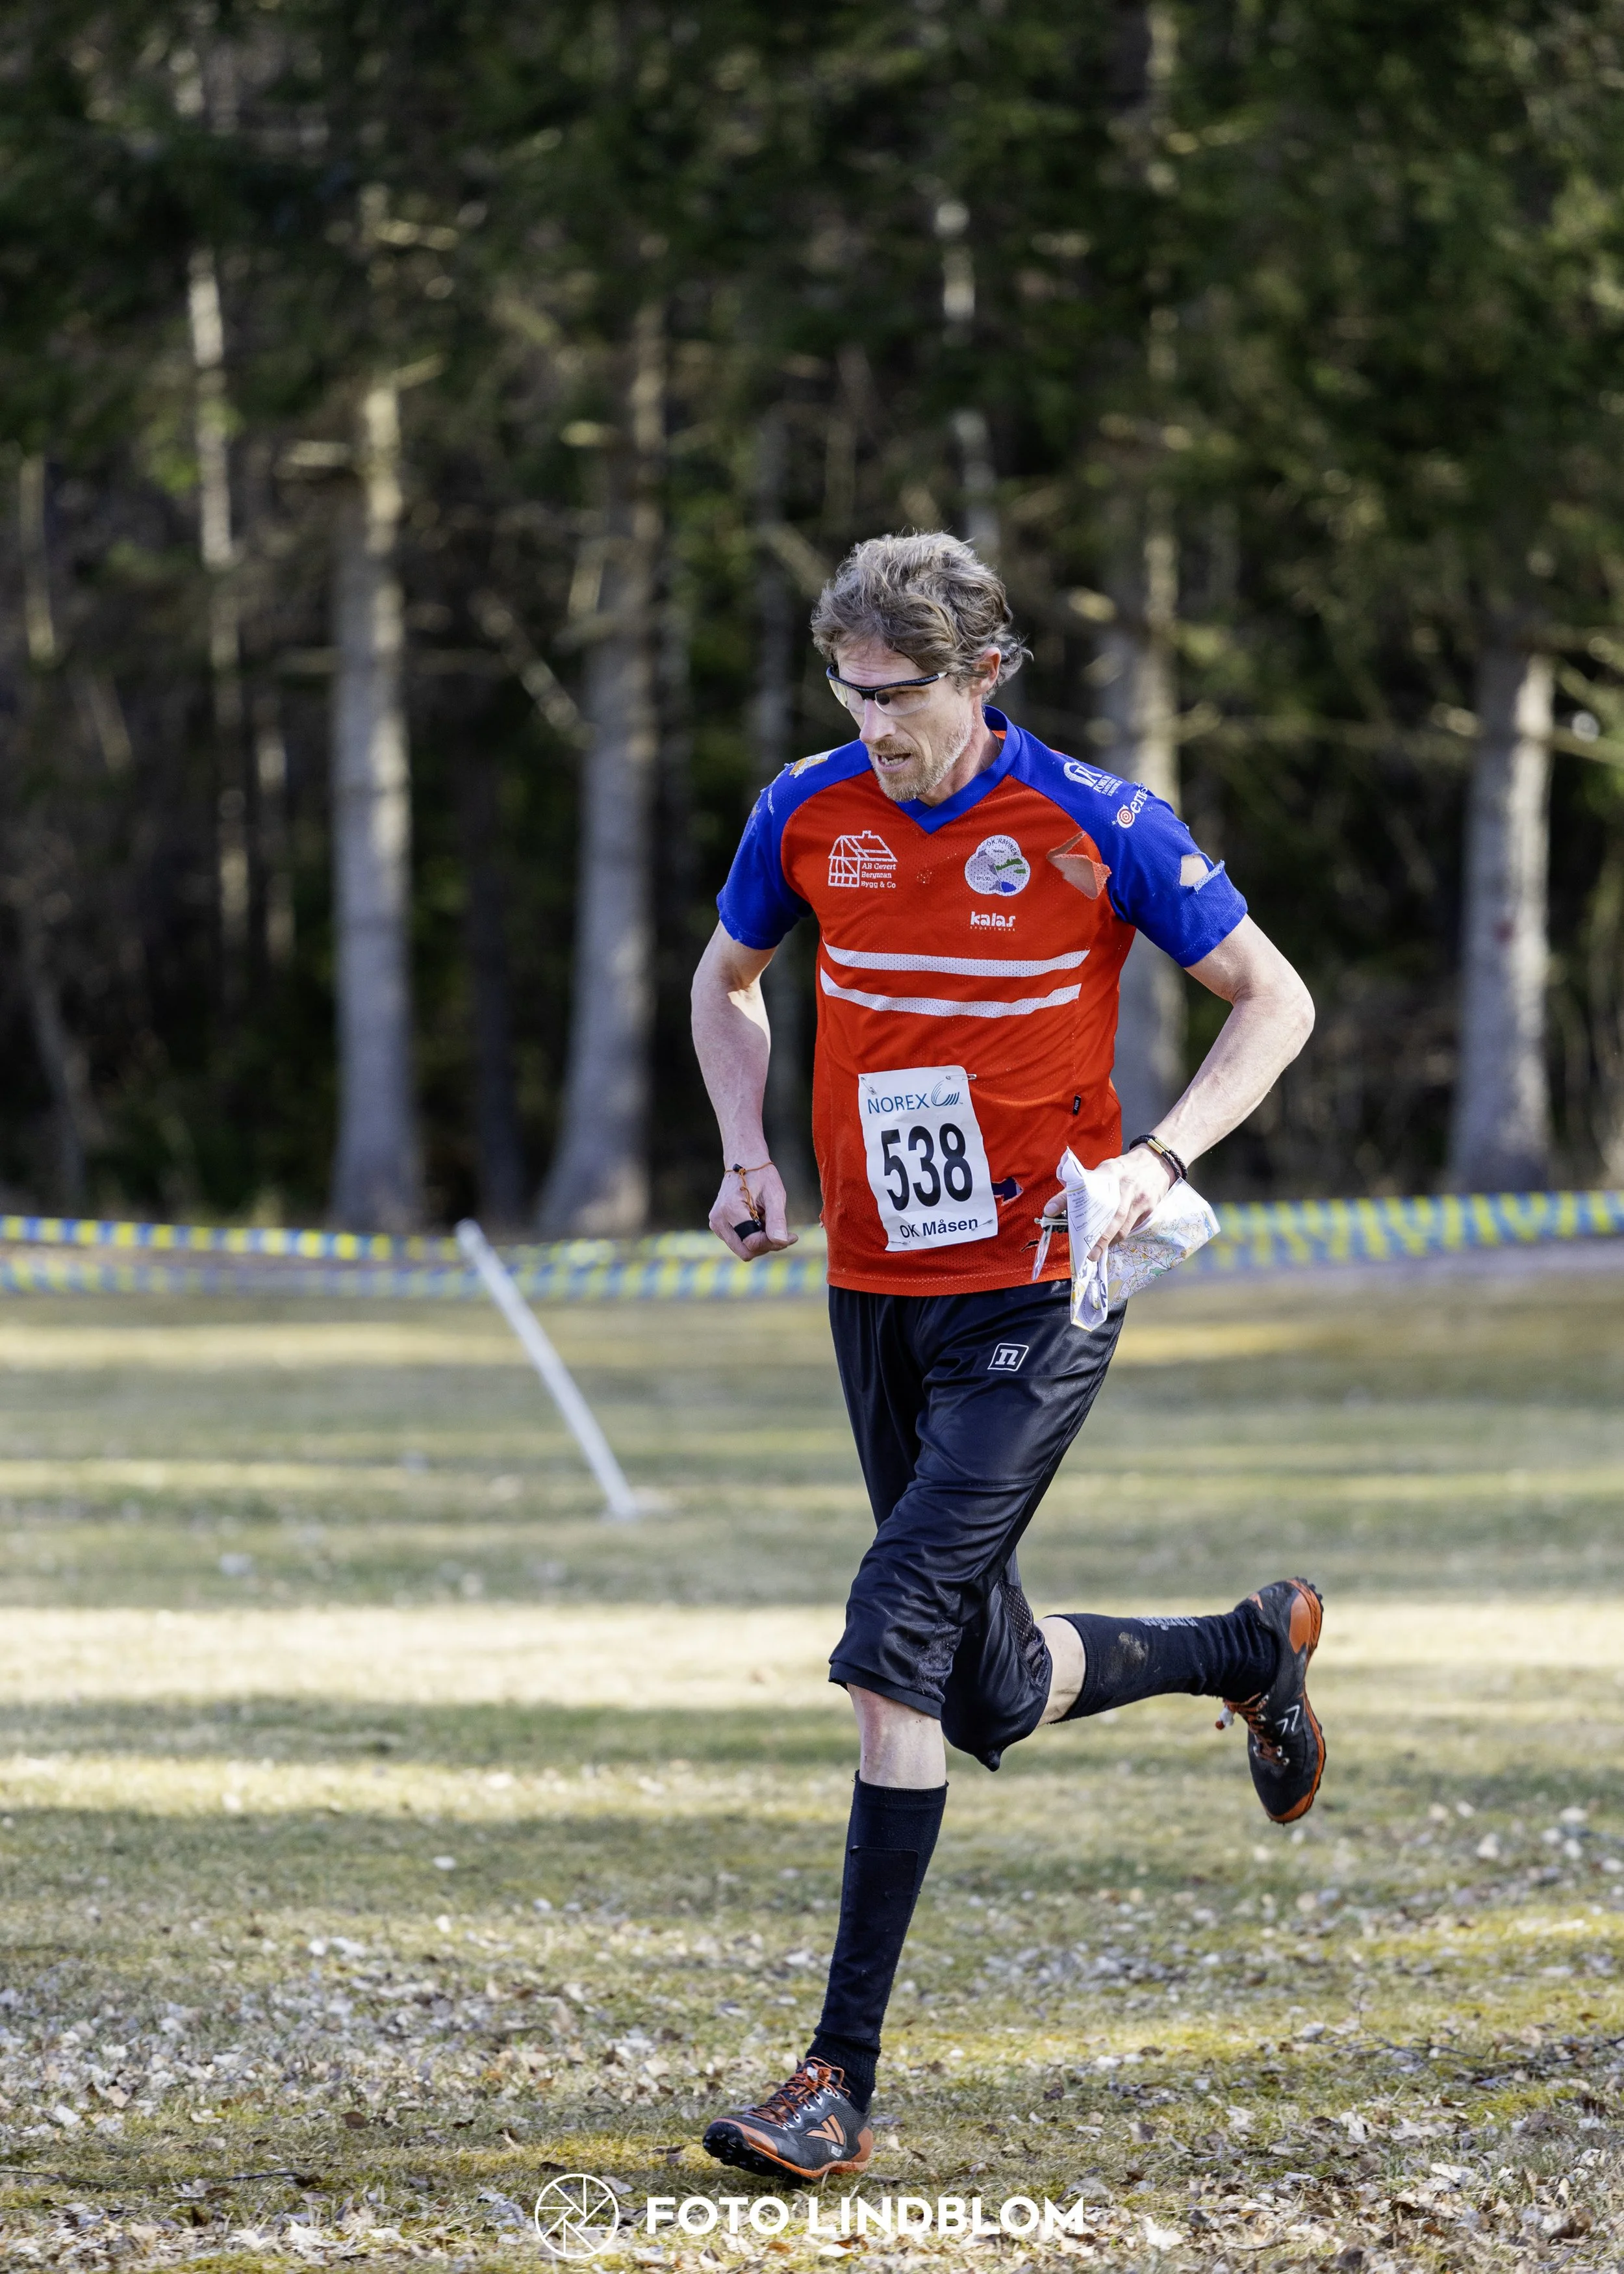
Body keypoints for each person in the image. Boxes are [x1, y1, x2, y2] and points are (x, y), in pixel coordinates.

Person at [689, 532, 1319, 2185]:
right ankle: (1244, 1646)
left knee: (887, 1638)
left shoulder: (1100, 823)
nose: (868, 722)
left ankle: (834, 2076)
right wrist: (745, 1150)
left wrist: (1157, 1161)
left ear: (981, 675)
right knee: (986, 1681)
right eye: (845, 688)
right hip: (873, 1288)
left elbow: (1273, 1002)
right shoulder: (805, 810)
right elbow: (727, 985)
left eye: (894, 694)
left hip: (1044, 1287)